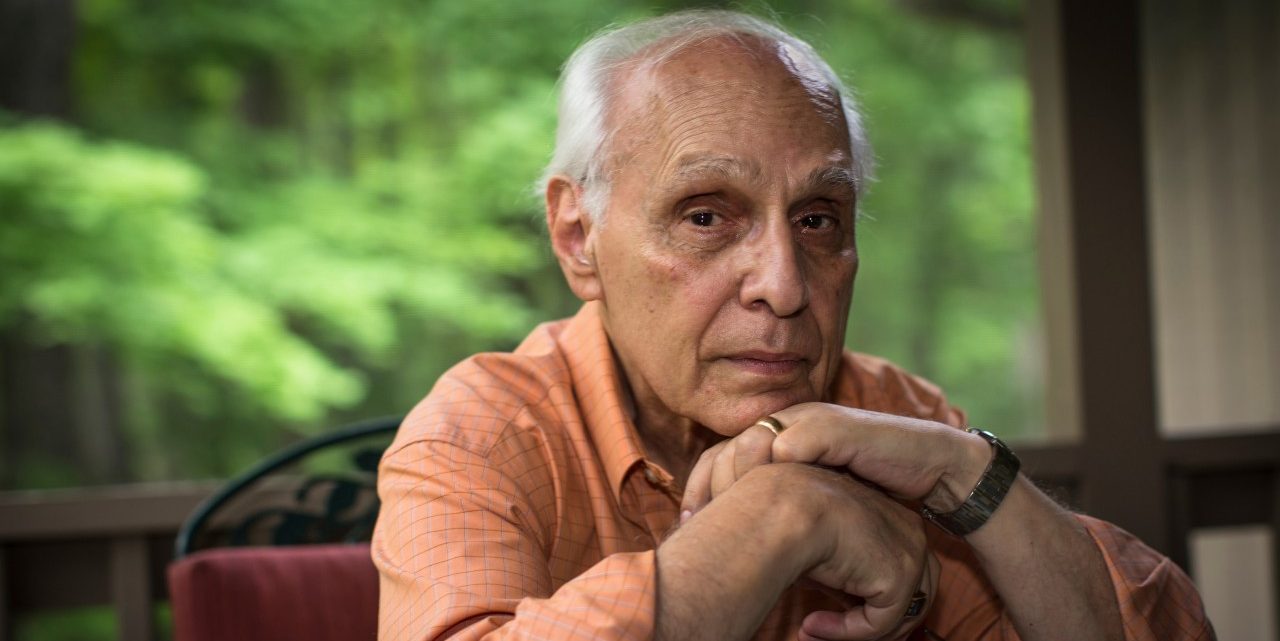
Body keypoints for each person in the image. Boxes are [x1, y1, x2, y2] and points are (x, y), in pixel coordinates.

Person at [373, 10, 1212, 641]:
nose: (783, 285)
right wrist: (781, 517)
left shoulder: (890, 414)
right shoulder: (478, 435)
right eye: (706, 216)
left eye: (817, 219)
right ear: (578, 237)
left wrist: (967, 473)